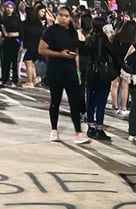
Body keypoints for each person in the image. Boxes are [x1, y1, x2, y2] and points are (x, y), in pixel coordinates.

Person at [38, 6, 89, 144]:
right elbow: (42, 50)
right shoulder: (51, 31)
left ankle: (78, 133)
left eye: (66, 16)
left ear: (70, 18)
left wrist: (78, 71)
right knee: (55, 100)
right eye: (60, 15)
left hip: (70, 70)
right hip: (55, 69)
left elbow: (77, 52)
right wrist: (59, 54)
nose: (63, 18)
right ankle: (54, 130)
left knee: (75, 102)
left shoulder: (73, 32)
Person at [83, 16, 118, 141]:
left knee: (90, 100)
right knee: (101, 101)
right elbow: (114, 53)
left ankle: (90, 126)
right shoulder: (103, 39)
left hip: (90, 72)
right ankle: (99, 128)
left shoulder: (89, 37)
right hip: (102, 73)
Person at [20, 4, 44, 87]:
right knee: (32, 64)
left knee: (28, 63)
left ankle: (29, 82)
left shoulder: (25, 24)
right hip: (37, 46)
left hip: (29, 46)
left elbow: (22, 35)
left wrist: (22, 45)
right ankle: (35, 79)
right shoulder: (39, 24)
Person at [0, 1, 21, 86]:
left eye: (11, 7)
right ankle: (4, 78)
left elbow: (20, 31)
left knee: (14, 62)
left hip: (14, 41)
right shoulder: (3, 18)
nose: (9, 9)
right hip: (6, 41)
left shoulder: (16, 18)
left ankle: (14, 80)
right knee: (5, 61)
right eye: (7, 7)